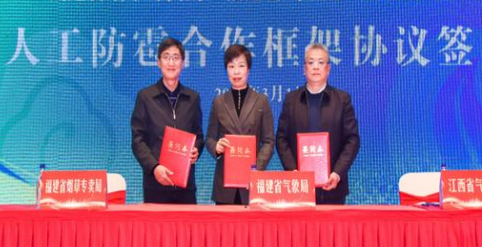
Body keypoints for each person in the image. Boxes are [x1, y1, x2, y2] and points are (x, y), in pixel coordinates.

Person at [276, 43, 360, 204]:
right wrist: (292, 170)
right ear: (304, 69)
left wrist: (337, 173)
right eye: (311, 62)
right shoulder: (291, 100)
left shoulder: (342, 100)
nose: (315, 67)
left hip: (333, 187)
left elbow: (352, 140)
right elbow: (281, 138)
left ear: (328, 69)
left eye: (321, 63)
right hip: (299, 188)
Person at [131, 37, 204, 204]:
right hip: (155, 184)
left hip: (186, 185)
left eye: (176, 57)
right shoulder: (145, 97)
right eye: (166, 57)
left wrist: (196, 151)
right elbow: (137, 140)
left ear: (182, 63)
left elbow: (199, 136)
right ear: (158, 62)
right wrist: (154, 167)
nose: (171, 62)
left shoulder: (192, 98)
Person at [206, 44, 275, 204]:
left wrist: (256, 168)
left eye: (241, 66)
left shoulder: (261, 101)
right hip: (225, 183)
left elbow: (269, 141)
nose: (236, 72)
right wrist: (216, 147)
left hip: (251, 181)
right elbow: (209, 138)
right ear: (226, 70)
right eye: (231, 66)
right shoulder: (219, 102)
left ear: (248, 69)